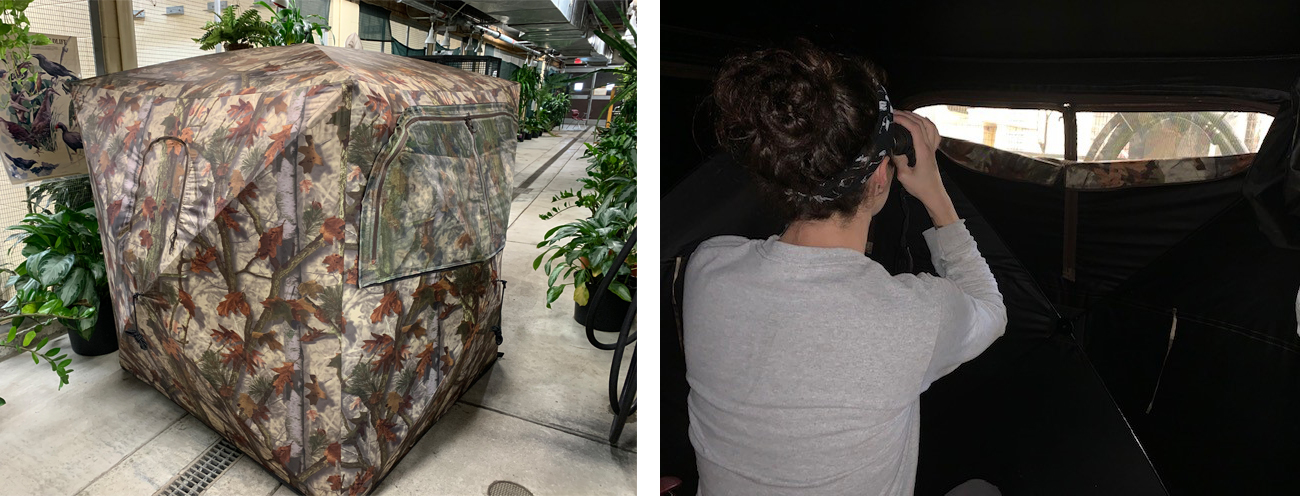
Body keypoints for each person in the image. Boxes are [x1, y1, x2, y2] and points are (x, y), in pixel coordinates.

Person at [682, 39, 1008, 496]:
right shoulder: (914, 315)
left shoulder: (707, 267)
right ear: (880, 176)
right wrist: (936, 194)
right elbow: (991, 309)